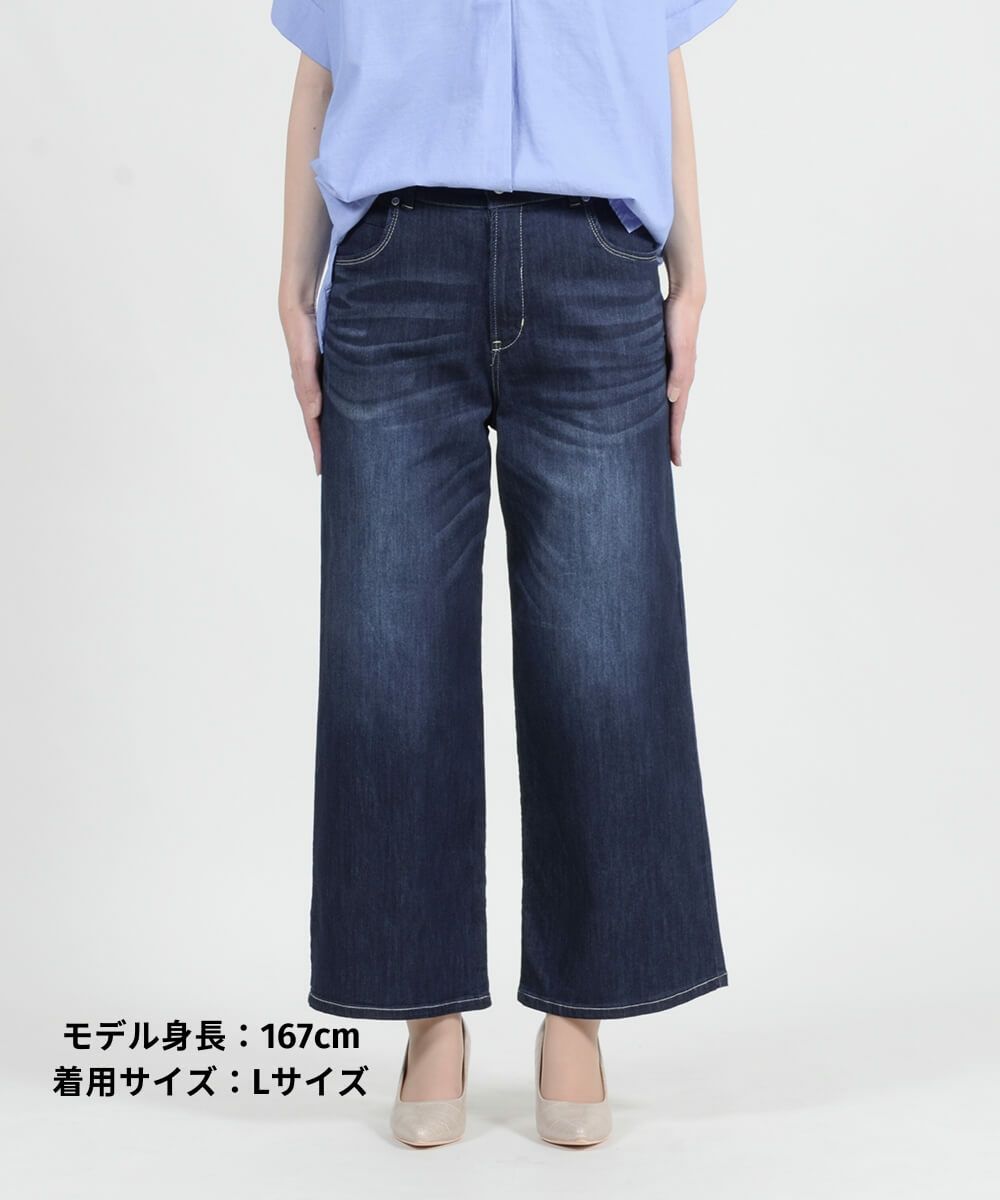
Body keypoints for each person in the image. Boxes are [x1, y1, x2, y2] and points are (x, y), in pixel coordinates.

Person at [271, 0, 738, 1148]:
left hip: (595, 264)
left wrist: (692, 272)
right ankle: (423, 1013)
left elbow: (655, 56)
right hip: (395, 262)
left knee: (603, 652)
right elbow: (323, 61)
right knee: (389, 657)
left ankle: (581, 1013)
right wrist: (291, 277)